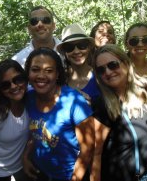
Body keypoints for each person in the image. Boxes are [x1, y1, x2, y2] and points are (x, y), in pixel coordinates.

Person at [91, 44, 147, 181]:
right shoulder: (102, 104)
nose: (108, 72)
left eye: (113, 65)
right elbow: (96, 154)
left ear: (126, 63)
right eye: (101, 70)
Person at [22, 47, 94, 181]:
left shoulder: (74, 101)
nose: (41, 76)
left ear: (57, 74)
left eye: (49, 71)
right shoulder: (28, 97)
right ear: (28, 72)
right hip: (39, 172)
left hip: (69, 175)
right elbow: (34, 131)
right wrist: (26, 157)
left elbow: (88, 148)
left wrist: (75, 178)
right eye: (35, 69)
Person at [57, 23, 100, 102]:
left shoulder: (100, 75)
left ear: (89, 47)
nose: (76, 51)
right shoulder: (59, 79)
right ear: (64, 52)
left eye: (82, 45)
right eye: (69, 47)